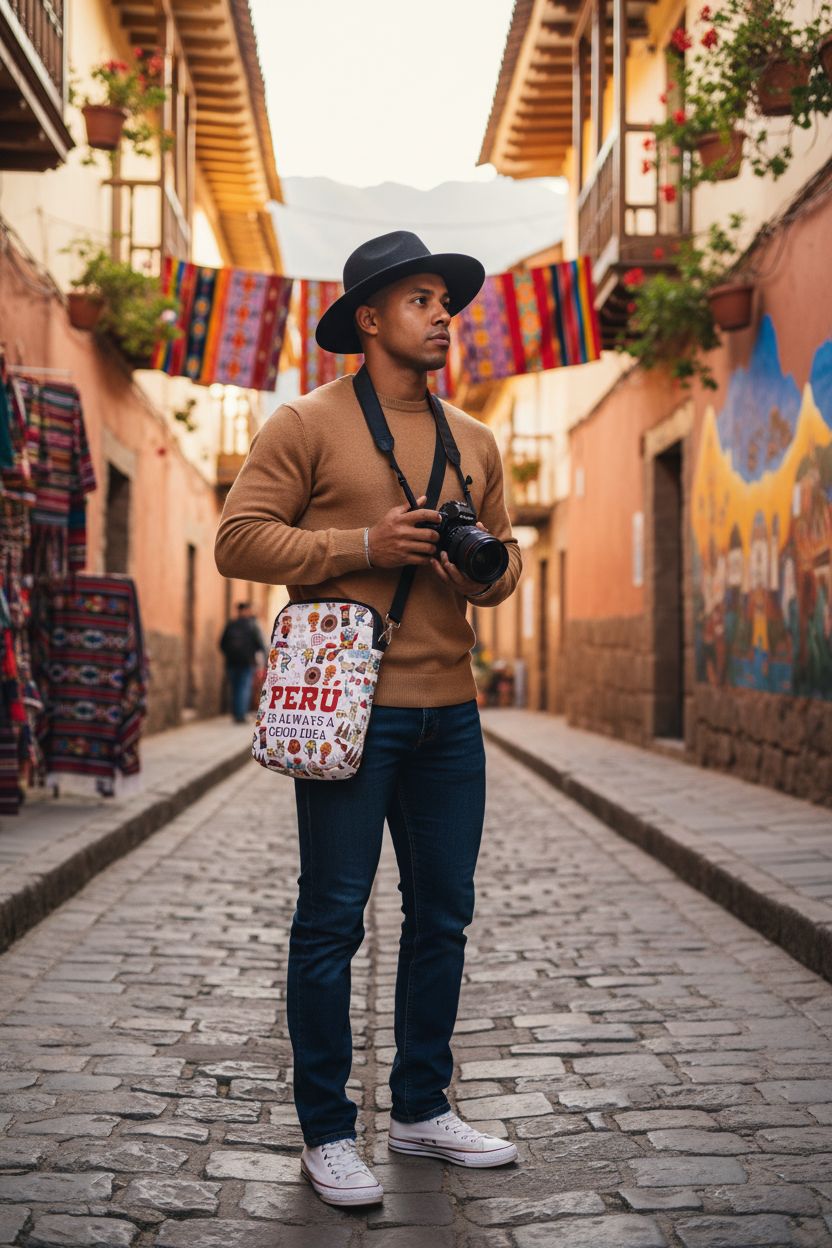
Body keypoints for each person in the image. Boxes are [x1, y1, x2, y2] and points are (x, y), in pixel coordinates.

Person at [215, 231, 522, 1207]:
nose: (443, 316)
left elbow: (504, 570)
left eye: (446, 300)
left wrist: (476, 569)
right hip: (348, 715)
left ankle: (424, 1109)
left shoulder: (475, 440)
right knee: (331, 922)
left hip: (452, 720)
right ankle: (326, 1132)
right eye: (422, 299)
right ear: (369, 319)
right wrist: (364, 542)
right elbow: (236, 539)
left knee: (444, 916)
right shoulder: (303, 423)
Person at [219, 601, 266, 723]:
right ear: (247, 610)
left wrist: (229, 655)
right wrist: (262, 659)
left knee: (235, 688)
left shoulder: (231, 624)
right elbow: (260, 644)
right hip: (247, 662)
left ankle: (236, 714)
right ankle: (240, 715)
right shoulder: (252, 625)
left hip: (231, 662)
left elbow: (222, 644)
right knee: (243, 688)